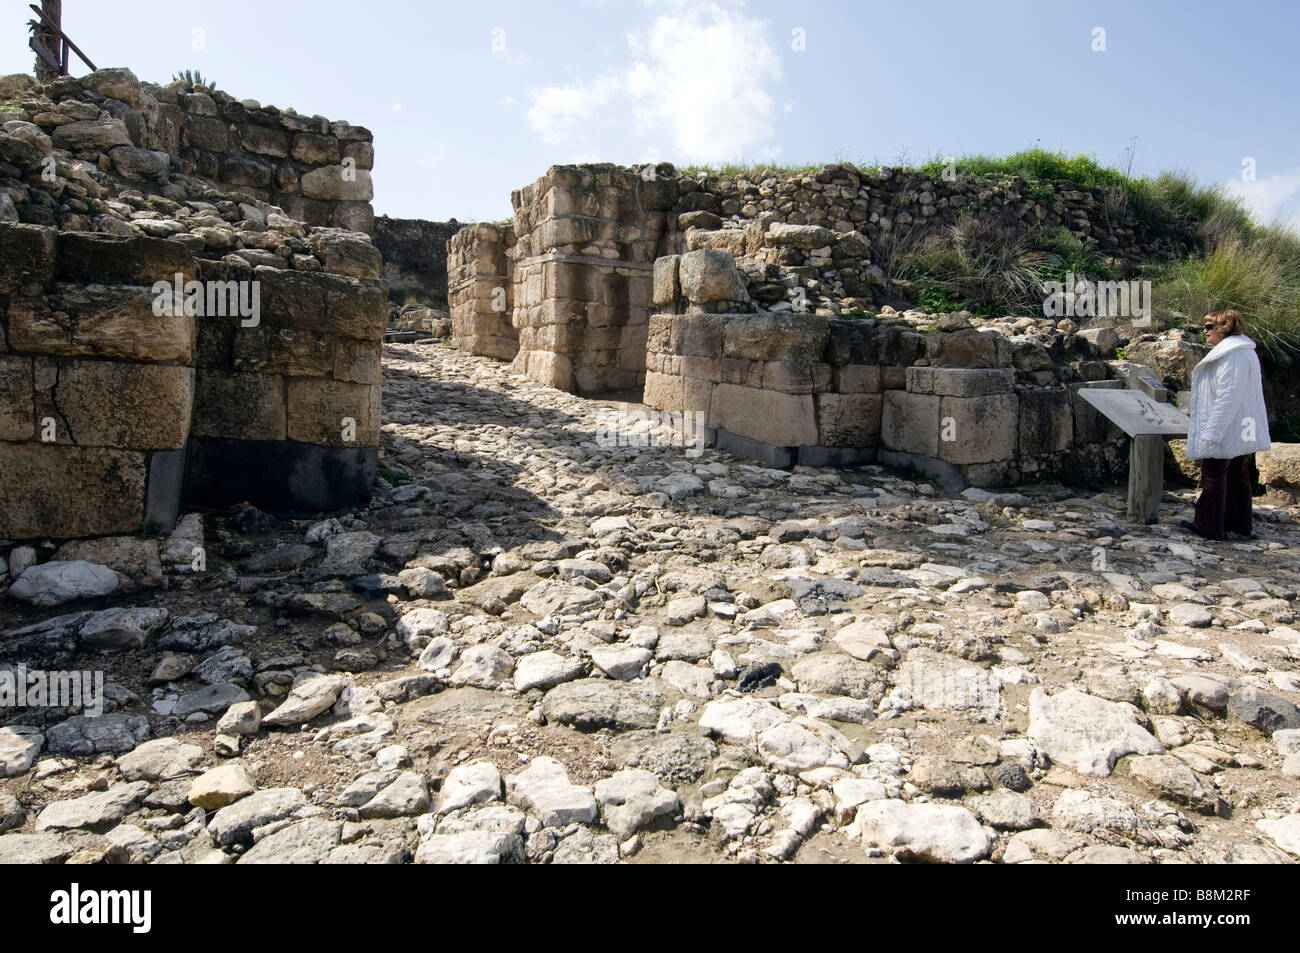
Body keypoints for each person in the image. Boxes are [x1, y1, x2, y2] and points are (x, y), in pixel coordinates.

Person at [1181, 309, 1271, 540]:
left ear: (1225, 328)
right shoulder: (1241, 352)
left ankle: (1209, 524)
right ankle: (1238, 524)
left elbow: (1228, 396)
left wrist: (1213, 431)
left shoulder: (1232, 355)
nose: (1205, 331)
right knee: (1236, 474)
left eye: (1210, 326)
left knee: (1214, 473)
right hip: (1238, 426)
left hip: (1227, 426)